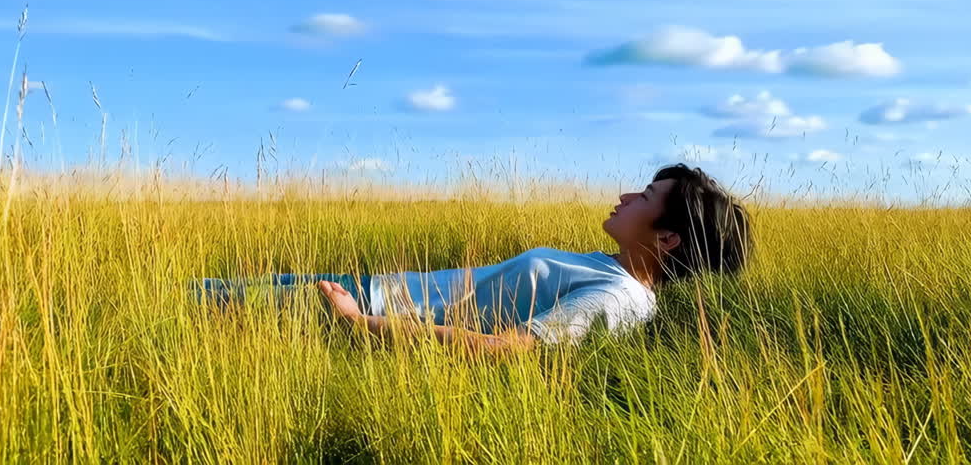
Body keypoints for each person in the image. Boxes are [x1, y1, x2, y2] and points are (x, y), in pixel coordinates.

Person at [194, 164, 751, 355]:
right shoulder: (615, 274)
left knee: (195, 302)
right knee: (213, 293)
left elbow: (505, 351)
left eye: (647, 198)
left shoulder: (616, 298)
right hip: (372, 287)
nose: (629, 196)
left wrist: (359, 323)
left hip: (365, 305)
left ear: (669, 239)